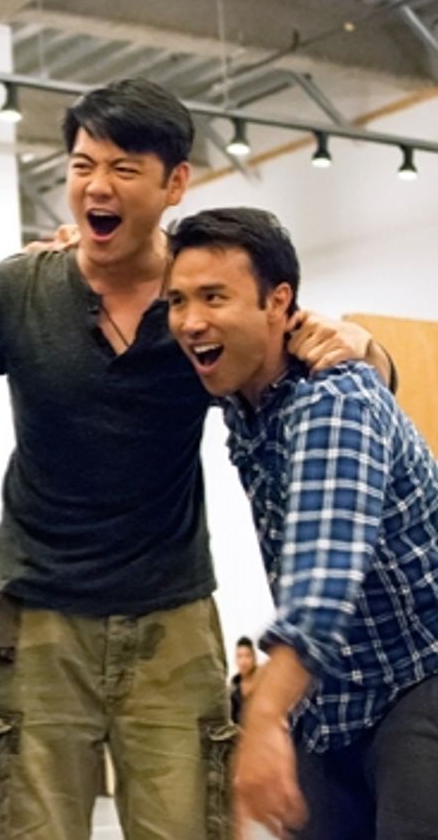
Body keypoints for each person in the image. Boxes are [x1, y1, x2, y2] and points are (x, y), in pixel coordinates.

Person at [0, 79, 393, 840]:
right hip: (39, 614)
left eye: (122, 167)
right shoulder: (18, 290)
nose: (96, 186)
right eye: (83, 165)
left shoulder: (199, 304)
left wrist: (368, 346)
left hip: (173, 618)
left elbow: (307, 356)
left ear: (174, 182)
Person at [166, 206, 438, 840]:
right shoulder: (244, 395)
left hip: (422, 673)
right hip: (334, 698)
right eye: (177, 300)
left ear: (278, 301)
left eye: (214, 297)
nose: (190, 320)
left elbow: (324, 569)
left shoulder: (332, 399)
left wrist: (261, 720)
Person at [230, 636, 259, 724]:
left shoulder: (264, 684)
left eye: (247, 656)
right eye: (239, 656)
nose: (243, 661)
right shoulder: (232, 690)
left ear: (254, 658)